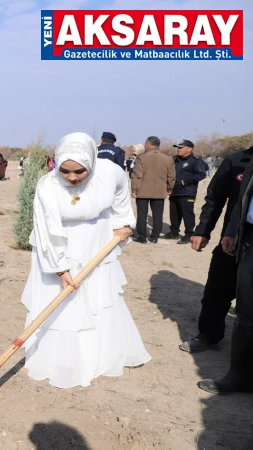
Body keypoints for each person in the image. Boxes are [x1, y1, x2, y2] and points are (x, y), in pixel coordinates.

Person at [21, 132, 150, 389]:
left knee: (98, 300)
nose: (72, 177)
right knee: (63, 305)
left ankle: (99, 357)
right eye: (65, 171)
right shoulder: (48, 186)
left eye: (79, 171)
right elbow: (47, 230)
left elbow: (121, 205)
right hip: (59, 246)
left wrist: (124, 225)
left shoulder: (111, 172)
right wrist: (60, 269)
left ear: (91, 162)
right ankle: (62, 361)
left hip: (98, 245)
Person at [184, 146, 253, 353]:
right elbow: (215, 198)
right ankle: (209, 334)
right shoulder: (236, 160)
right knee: (217, 288)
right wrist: (203, 230)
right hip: (233, 238)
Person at [197, 152, 253, 395]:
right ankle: (239, 375)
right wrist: (225, 231)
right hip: (246, 236)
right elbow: (242, 200)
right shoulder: (240, 160)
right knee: (243, 308)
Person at [131, 136, 175, 243]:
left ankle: (142, 237)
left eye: (145, 144)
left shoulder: (141, 157)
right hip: (160, 190)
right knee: (158, 215)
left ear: (149, 144)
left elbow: (137, 175)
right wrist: (169, 188)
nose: (145, 146)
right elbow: (172, 176)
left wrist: (134, 190)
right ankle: (155, 236)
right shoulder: (168, 158)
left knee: (142, 214)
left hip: (143, 190)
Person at [164, 140, 206, 244]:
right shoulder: (175, 159)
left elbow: (201, 174)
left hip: (187, 192)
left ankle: (189, 234)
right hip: (174, 191)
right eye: (178, 147)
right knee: (174, 213)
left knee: (187, 214)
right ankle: (174, 232)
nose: (178, 149)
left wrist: (186, 181)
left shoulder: (195, 160)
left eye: (181, 147)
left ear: (189, 149)